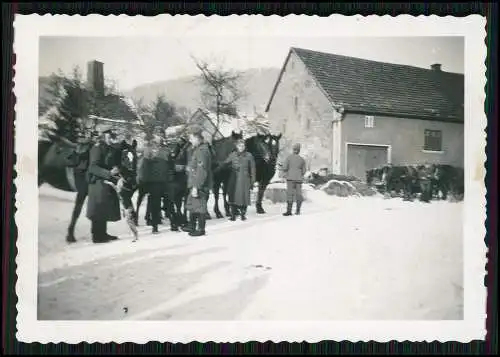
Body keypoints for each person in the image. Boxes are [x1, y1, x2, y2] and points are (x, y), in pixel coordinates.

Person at [86, 126, 122, 244]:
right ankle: (97, 236)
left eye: (112, 135)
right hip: (97, 182)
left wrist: (116, 170)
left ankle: (102, 233)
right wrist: (108, 173)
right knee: (98, 208)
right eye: (109, 135)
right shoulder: (97, 148)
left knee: (103, 208)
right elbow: (93, 167)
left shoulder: (109, 148)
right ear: (103, 135)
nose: (111, 137)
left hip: (106, 182)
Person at [182, 125, 213, 237]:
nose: (190, 140)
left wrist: (196, 186)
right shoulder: (198, 150)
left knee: (200, 206)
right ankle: (192, 225)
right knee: (194, 204)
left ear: (197, 137)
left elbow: (202, 171)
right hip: (195, 182)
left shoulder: (202, 151)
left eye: (191, 138)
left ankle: (201, 229)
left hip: (199, 184)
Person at [137, 139, 168, 234]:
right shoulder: (149, 151)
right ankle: (154, 224)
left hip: (158, 181)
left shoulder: (163, 151)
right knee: (155, 203)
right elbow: (144, 167)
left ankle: (153, 221)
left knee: (155, 203)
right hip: (152, 181)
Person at [223, 139, 256, 221]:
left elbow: (252, 168)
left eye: (243, 145)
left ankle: (242, 214)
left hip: (245, 179)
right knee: (233, 196)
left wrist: (252, 180)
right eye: (239, 145)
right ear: (236, 146)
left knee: (244, 197)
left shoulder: (249, 155)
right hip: (234, 178)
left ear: (244, 147)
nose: (241, 147)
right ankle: (233, 215)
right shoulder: (233, 154)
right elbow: (225, 163)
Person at [282, 143, 307, 216]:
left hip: (290, 179)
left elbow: (285, 168)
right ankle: (298, 210)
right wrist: (299, 174)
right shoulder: (302, 159)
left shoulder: (289, 158)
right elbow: (304, 171)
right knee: (298, 195)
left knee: (290, 194)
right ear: (299, 150)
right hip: (299, 179)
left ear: (293, 150)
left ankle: (289, 211)